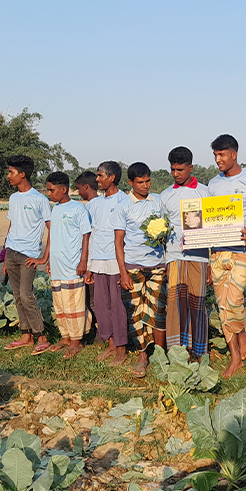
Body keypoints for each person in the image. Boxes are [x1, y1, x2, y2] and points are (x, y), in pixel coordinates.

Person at [207, 134, 246, 378]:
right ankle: (239, 345)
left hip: (242, 251)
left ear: (234, 154)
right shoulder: (213, 185)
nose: (218, 159)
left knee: (233, 300)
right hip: (218, 251)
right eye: (215, 155)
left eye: (221, 155)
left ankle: (236, 355)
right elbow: (209, 219)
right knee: (224, 305)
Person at [160, 146, 211, 359]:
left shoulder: (205, 192)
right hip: (174, 256)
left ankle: (198, 351)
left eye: (180, 169)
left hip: (198, 256)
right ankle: (176, 350)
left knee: (197, 303)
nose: (176, 174)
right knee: (175, 304)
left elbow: (213, 226)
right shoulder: (165, 195)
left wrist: (211, 261)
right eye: (173, 169)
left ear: (191, 167)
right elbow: (161, 227)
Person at [120, 162, 167, 378]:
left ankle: (159, 354)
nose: (145, 185)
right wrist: (122, 272)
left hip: (157, 265)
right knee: (135, 312)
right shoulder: (123, 205)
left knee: (158, 311)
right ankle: (142, 356)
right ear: (130, 183)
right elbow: (118, 241)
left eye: (148, 181)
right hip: (132, 266)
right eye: (140, 182)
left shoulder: (158, 201)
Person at [1, 155, 52, 354]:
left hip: (28, 255)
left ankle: (42, 336)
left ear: (22, 174)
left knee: (26, 295)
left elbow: (51, 228)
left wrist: (44, 257)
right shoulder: (14, 198)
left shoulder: (40, 199)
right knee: (17, 295)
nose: (8, 176)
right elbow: (12, 225)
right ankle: (26, 335)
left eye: (11, 172)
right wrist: (5, 253)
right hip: (11, 253)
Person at [84, 161, 130, 365]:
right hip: (98, 262)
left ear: (112, 178)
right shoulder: (94, 204)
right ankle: (111, 344)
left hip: (116, 261)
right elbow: (91, 236)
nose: (97, 179)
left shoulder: (125, 202)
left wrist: (124, 268)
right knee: (102, 306)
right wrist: (89, 266)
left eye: (101, 175)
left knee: (118, 305)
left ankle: (122, 348)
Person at [44, 172, 91, 358]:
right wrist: (48, 260)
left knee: (74, 305)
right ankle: (65, 337)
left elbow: (85, 236)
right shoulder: (54, 209)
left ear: (64, 189)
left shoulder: (78, 209)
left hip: (73, 266)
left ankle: (76, 340)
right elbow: (52, 237)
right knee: (60, 305)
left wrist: (83, 261)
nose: (49, 193)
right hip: (57, 266)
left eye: (51, 190)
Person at [74, 171, 100, 329]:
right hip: (92, 259)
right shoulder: (98, 204)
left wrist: (86, 262)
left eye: (78, 189)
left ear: (86, 187)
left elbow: (89, 236)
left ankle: (99, 330)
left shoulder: (89, 208)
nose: (78, 193)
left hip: (91, 259)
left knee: (92, 299)